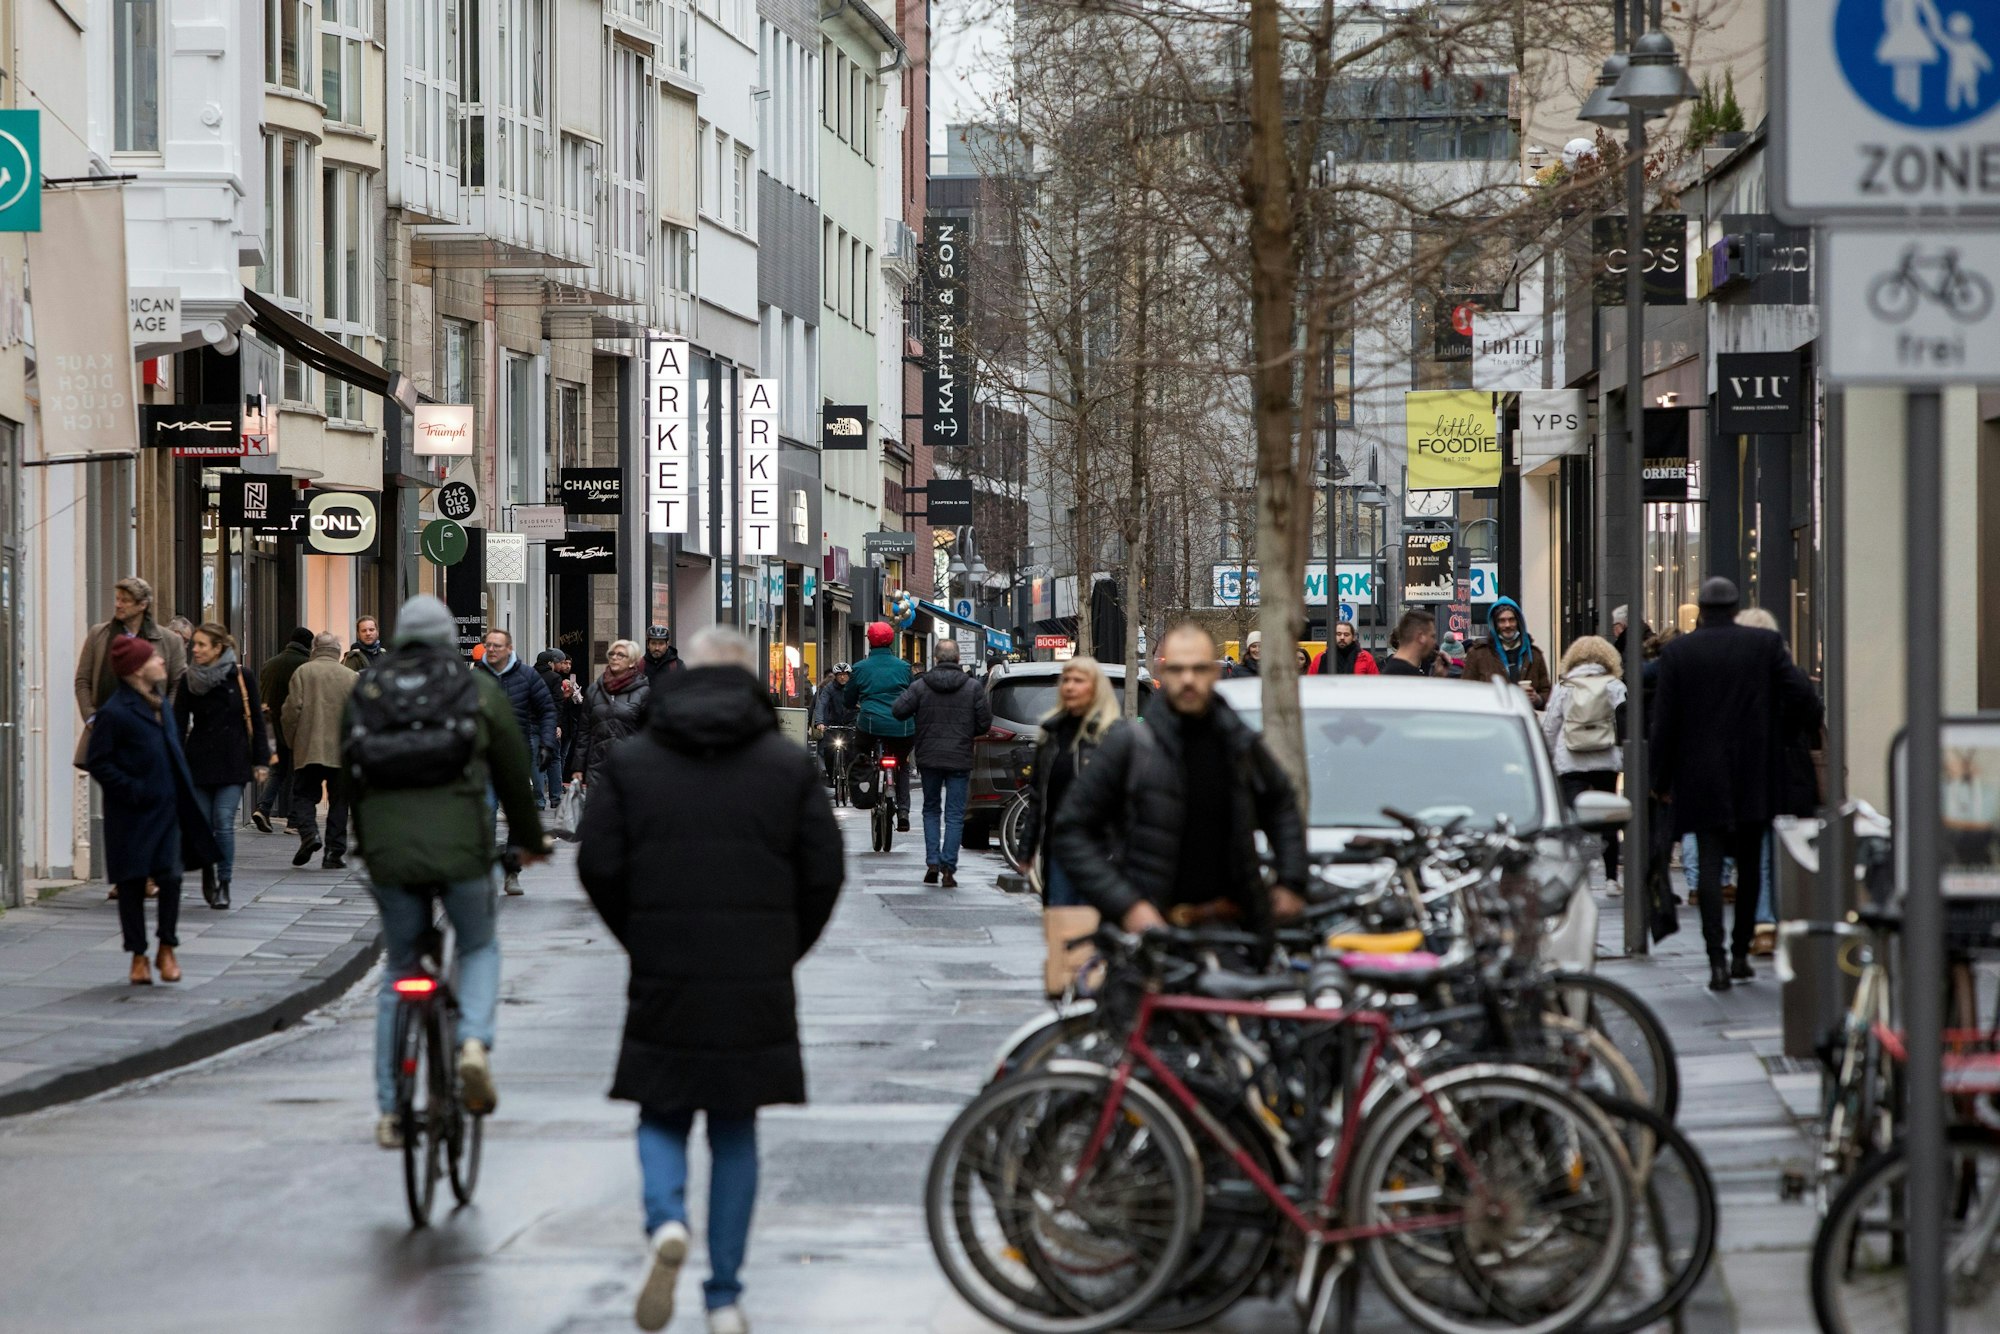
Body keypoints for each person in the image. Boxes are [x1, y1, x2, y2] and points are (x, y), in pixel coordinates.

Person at [576, 627, 842, 1334]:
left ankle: (666, 1221)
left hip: (665, 963)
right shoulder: (786, 767)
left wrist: (640, 934)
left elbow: (597, 863)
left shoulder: (636, 765)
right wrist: (784, 947)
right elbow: (824, 872)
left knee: (661, 1106)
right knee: (734, 1126)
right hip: (755, 972)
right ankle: (724, 1295)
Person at [343, 595, 550, 1150]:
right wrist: (529, 842)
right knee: (479, 946)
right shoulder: (477, 689)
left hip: (390, 852)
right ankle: (474, 1044)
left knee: (399, 970)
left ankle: (391, 1111)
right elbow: (513, 774)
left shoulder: (369, 686)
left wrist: (364, 843)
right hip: (462, 849)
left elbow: (350, 772)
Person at [1050, 623, 1310, 934]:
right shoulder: (1130, 743)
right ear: (1165, 673)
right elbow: (1071, 829)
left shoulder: (1238, 741)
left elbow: (1281, 803)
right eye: (1177, 669)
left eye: (1199, 668)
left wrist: (1290, 881)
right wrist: (1127, 905)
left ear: (1214, 672)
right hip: (1148, 938)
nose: (1188, 679)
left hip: (1233, 930)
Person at [1651, 577, 1819, 991]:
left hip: (1699, 773)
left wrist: (1661, 778)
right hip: (1755, 770)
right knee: (1750, 864)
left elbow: (1665, 723)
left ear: (1701, 609)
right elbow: (1805, 699)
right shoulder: (1763, 645)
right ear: (1735, 605)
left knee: (1709, 865)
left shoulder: (1679, 652)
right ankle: (1742, 950)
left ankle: (1716, 960)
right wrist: (1780, 733)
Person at [83, 635, 219, 986]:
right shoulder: (115, 712)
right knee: (131, 885)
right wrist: (133, 790)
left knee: (170, 878)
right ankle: (139, 955)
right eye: (154, 658)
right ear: (137, 669)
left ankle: (167, 947)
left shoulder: (160, 706)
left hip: (168, 810)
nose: (162, 661)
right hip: (131, 814)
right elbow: (98, 761)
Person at [1737, 606, 1824, 955]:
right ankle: (1787, 919)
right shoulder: (1790, 675)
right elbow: (1813, 713)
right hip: (1792, 773)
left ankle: (1763, 924)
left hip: (1752, 774)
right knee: (1784, 848)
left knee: (1758, 849)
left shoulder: (1738, 679)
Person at [176, 624, 276, 910]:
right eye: (194, 644)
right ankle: (208, 871)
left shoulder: (242, 676)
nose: (195, 649)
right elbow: (178, 723)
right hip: (198, 763)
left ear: (218, 648)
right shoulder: (188, 680)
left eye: (202, 645)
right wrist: (173, 761)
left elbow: (256, 720)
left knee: (223, 821)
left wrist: (261, 761)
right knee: (205, 826)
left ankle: (224, 884)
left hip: (233, 762)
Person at [1020, 657, 1123, 908]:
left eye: (1079, 681)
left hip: (1100, 850)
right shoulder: (1051, 734)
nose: (1069, 686)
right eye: (1066, 680)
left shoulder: (1113, 735)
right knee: (1063, 925)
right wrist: (1027, 847)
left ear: (1096, 688)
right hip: (1059, 848)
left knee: (1093, 930)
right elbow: (1038, 796)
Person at [892, 640, 993, 887]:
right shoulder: (972, 688)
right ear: (958, 659)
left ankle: (932, 864)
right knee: (955, 814)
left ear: (935, 660)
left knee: (931, 809)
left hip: (929, 756)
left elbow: (898, 710)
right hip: (959, 756)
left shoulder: (921, 686)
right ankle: (949, 868)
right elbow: (984, 724)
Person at [1541, 635, 1628, 891]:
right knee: (1608, 820)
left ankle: (1577, 880)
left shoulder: (1565, 686)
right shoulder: (1614, 685)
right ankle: (1612, 878)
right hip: (1605, 759)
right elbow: (1624, 723)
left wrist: (1547, 756)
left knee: (1574, 820)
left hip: (1570, 760)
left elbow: (1550, 726)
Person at [74, 576, 189, 751]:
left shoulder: (170, 640)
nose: (118, 605)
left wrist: (164, 717)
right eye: (117, 599)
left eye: (125, 601)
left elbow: (178, 684)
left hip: (151, 733)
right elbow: (82, 680)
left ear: (142, 605)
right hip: (107, 731)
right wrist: (91, 717)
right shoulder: (99, 635)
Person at [282, 633, 358, 870]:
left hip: (310, 747)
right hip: (341, 750)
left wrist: (292, 740)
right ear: (337, 650)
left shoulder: (304, 672)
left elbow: (291, 710)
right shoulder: (351, 676)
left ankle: (309, 834)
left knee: (303, 795)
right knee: (339, 802)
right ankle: (334, 853)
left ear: (315, 648)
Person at [478, 628, 558, 815]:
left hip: (517, 754)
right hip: (485, 756)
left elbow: (547, 710)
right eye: (487, 645)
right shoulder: (476, 677)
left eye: (496, 645)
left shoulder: (527, 675)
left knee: (518, 815)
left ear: (509, 648)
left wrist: (547, 743)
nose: (491, 649)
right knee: (487, 809)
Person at [844, 622, 914, 830]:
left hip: (870, 724)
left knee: (861, 753)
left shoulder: (859, 668)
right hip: (902, 727)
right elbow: (913, 695)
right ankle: (903, 810)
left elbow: (848, 699)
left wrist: (852, 705)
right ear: (891, 641)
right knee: (902, 764)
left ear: (869, 642)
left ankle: (867, 792)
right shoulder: (904, 667)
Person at [253, 627, 315, 833]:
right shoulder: (305, 665)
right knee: (299, 771)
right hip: (294, 725)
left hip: (270, 723)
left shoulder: (270, 664)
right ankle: (294, 821)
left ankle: (263, 807)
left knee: (277, 770)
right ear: (308, 644)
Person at [573, 639, 653, 788]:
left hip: (630, 765)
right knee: (596, 809)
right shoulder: (594, 690)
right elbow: (584, 731)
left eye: (620, 655)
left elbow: (648, 732)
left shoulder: (643, 692)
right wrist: (578, 767)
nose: (615, 658)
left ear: (632, 662)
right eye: (612, 654)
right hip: (597, 765)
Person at [1463, 597, 1551, 706]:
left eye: (1511, 619)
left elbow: (1547, 692)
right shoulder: (1477, 654)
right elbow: (1466, 692)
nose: (1507, 625)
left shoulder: (1534, 655)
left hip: (1523, 720)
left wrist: (1538, 699)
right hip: (1491, 719)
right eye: (1502, 621)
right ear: (1494, 624)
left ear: (1518, 622)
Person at [536, 648, 583, 808]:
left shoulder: (529, 676)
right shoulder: (555, 678)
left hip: (534, 723)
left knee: (537, 762)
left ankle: (539, 798)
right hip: (550, 723)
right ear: (551, 663)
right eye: (562, 662)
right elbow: (557, 704)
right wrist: (557, 724)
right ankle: (555, 797)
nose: (564, 665)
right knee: (555, 758)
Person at [811, 663, 856, 784]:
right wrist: (819, 722)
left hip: (851, 723)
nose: (842, 678)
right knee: (829, 750)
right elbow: (821, 705)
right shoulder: (829, 688)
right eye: (840, 675)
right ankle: (832, 775)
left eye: (845, 675)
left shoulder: (854, 687)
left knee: (852, 751)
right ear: (835, 676)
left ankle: (850, 776)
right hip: (834, 723)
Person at [1381, 608, 1441, 677]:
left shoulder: (1392, 670)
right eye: (1432, 636)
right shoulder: (1405, 675)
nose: (1434, 642)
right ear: (1421, 637)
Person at [1312, 621, 1379, 675]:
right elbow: (1310, 684)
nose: (1342, 638)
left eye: (1346, 634)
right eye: (1338, 634)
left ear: (1353, 637)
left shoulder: (1366, 658)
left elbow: (1376, 684)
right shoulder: (1320, 658)